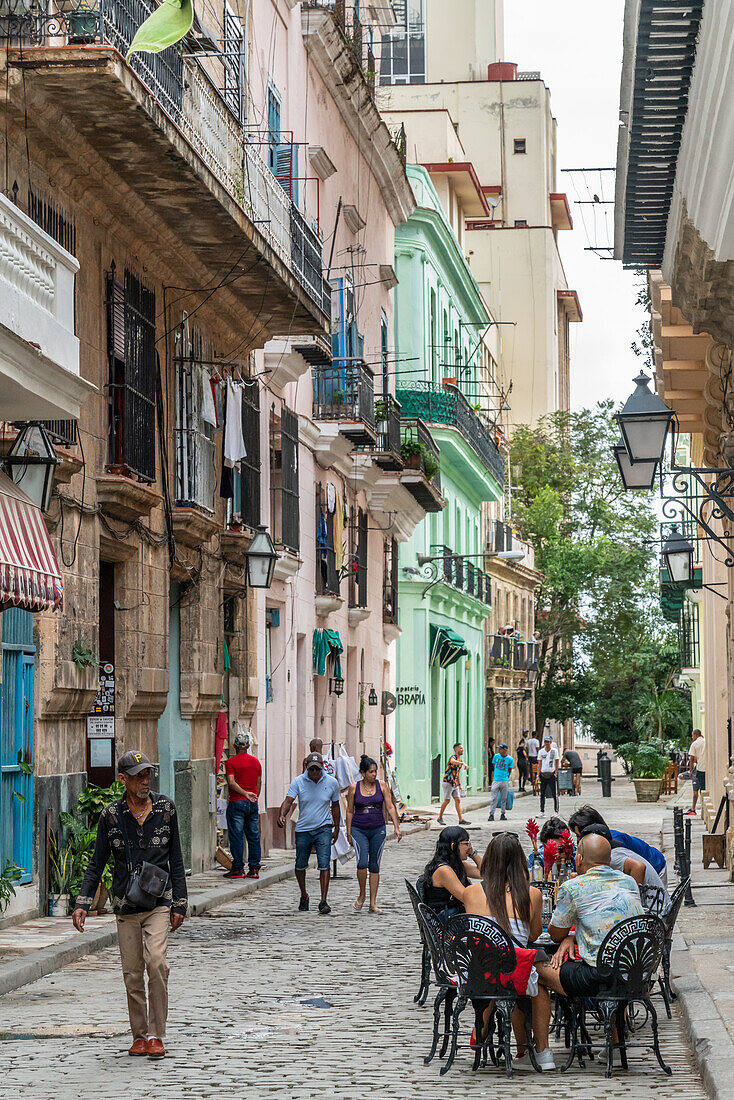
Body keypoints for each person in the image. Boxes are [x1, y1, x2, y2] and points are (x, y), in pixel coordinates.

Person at [71, 751, 187, 1059]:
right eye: (138, 776)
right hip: (125, 905)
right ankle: (139, 1036)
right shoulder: (111, 815)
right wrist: (83, 901)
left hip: (159, 903)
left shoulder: (165, 809)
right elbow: (97, 863)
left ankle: (157, 1034)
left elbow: (176, 857)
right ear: (123, 780)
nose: (146, 780)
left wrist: (180, 903)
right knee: (133, 973)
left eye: (148, 774)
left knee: (157, 964)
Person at [463, 833, 555, 1071]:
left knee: (498, 974)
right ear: (519, 862)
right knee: (533, 981)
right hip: (514, 973)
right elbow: (533, 937)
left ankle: (481, 1025)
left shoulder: (470, 893)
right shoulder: (532, 895)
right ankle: (540, 1052)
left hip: (478, 973)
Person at [541, 833, 643, 1001]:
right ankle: (616, 1024)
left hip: (597, 976)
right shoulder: (629, 881)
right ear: (609, 859)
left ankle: (540, 1027)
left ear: (579, 858)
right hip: (633, 971)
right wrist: (573, 938)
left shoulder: (573, 887)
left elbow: (556, 934)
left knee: (536, 970)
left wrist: (568, 937)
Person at [278, 752, 341, 915]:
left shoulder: (332, 783)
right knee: (300, 865)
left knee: (324, 863)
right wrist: (282, 815)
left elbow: (335, 806)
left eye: (317, 769)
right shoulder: (298, 782)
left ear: (322, 768)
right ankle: (303, 894)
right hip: (303, 829)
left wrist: (337, 828)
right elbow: (288, 801)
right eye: (311, 769)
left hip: (324, 828)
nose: (314, 773)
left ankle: (323, 900)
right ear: (307, 767)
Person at [345, 754, 401, 914]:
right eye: (371, 772)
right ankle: (362, 894)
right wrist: (349, 832)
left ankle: (373, 903)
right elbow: (349, 811)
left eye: (375, 771)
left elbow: (390, 807)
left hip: (378, 829)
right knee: (362, 862)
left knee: (374, 865)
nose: (374, 774)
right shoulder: (354, 788)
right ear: (363, 773)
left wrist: (396, 826)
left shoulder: (382, 786)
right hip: (359, 828)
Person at [577, 823, 671, 915]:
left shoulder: (612, 856)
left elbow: (639, 867)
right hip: (658, 906)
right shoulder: (614, 852)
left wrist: (634, 899)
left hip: (654, 910)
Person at [567, 804, 667, 881]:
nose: (578, 840)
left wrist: (634, 896)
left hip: (656, 867)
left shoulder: (613, 844)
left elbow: (638, 867)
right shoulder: (588, 841)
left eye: (579, 836)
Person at [224, 730, 262, 880]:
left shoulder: (231, 762)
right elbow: (259, 782)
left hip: (237, 802)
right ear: (247, 746)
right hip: (252, 803)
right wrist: (254, 796)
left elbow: (231, 783)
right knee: (253, 836)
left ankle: (238, 868)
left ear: (234, 745)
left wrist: (244, 794)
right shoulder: (256, 762)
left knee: (237, 836)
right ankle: (254, 869)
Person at [421, 825, 480, 921]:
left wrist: (473, 853)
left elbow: (483, 873)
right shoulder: (444, 870)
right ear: (453, 846)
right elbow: (465, 897)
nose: (469, 847)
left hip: (454, 917)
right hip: (445, 923)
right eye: (466, 843)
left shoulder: (456, 865)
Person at [437, 742, 471, 825]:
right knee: (447, 800)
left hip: (454, 783)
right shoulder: (453, 758)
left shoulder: (459, 760)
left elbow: (457, 774)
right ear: (456, 749)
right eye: (460, 748)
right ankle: (440, 817)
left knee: (457, 800)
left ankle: (461, 819)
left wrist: (459, 785)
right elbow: (452, 761)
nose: (462, 750)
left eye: (462, 748)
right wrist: (462, 764)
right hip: (448, 782)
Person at [488, 743, 514, 821]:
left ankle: (503, 813)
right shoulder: (496, 756)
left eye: (501, 749)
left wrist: (506, 777)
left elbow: (510, 769)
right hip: (496, 780)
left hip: (504, 780)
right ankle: (491, 814)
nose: (499, 750)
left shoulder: (510, 759)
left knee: (504, 798)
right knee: (493, 798)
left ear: (505, 750)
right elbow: (493, 764)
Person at [537, 732, 559, 815]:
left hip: (551, 774)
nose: (547, 743)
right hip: (543, 774)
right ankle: (542, 811)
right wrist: (538, 775)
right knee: (542, 793)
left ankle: (556, 811)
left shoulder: (554, 751)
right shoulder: (541, 752)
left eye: (548, 742)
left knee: (554, 793)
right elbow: (539, 763)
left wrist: (556, 773)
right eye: (545, 741)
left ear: (550, 742)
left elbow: (556, 762)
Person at [687, 729, 706, 816]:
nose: (692, 737)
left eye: (692, 735)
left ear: (695, 735)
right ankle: (702, 809)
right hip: (707, 768)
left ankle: (701, 809)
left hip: (700, 768)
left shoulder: (694, 744)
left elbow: (691, 758)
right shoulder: (706, 741)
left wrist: (691, 771)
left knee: (700, 790)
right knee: (705, 789)